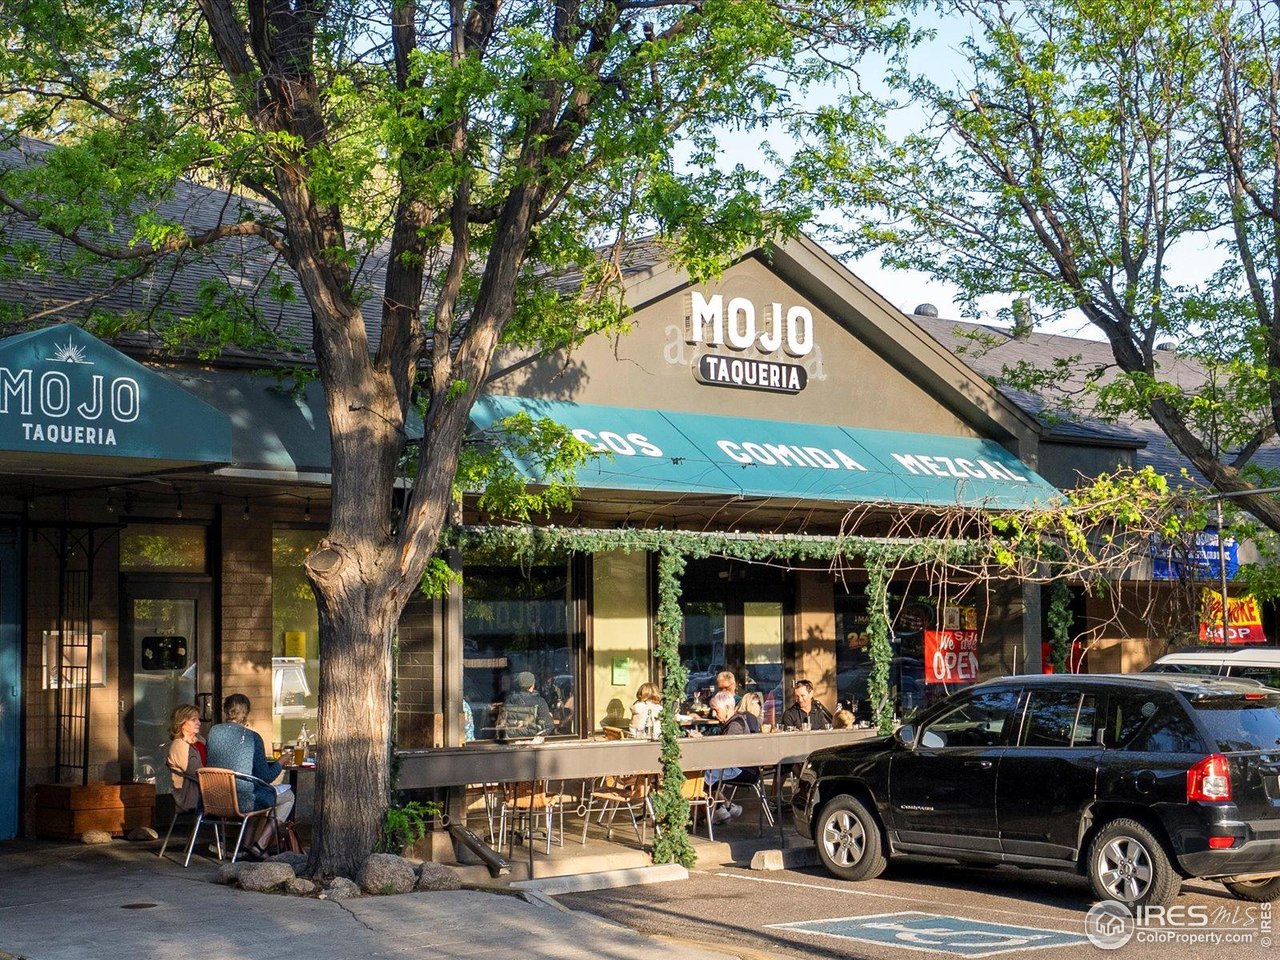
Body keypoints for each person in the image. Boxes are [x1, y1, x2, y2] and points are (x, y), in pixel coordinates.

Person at [205, 693, 294, 859]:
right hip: (244, 800)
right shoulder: (252, 737)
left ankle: (245, 847)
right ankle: (261, 845)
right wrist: (281, 761)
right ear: (246, 713)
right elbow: (266, 776)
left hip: (215, 798)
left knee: (257, 790)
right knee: (288, 796)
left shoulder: (213, 732)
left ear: (226, 710)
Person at [165, 704, 204, 812]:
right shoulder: (178, 745)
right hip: (192, 796)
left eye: (198, 719)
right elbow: (196, 772)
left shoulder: (200, 740)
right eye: (193, 720)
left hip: (206, 790)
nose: (199, 723)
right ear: (181, 723)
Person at [500, 671, 553, 739]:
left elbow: (503, 721)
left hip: (511, 741)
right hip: (533, 742)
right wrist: (550, 717)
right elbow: (548, 727)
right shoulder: (540, 701)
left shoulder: (509, 699)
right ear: (533, 685)